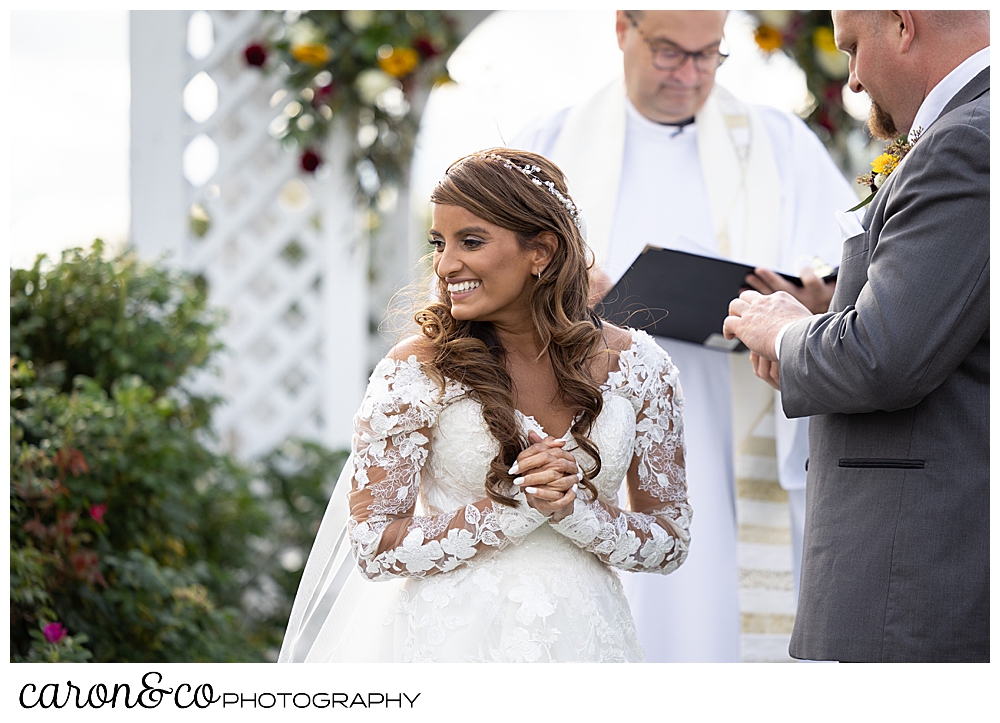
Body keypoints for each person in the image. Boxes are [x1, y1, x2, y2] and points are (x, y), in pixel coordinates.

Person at [514, 10, 857, 661]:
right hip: (592, 422)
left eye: (709, 56)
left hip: (730, 426)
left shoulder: (777, 142)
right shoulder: (550, 143)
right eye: (671, 53)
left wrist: (816, 297)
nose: (690, 75)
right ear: (622, 28)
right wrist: (555, 291)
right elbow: (479, 276)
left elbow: (844, 272)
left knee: (715, 617)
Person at [279, 148, 692, 663]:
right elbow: (374, 546)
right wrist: (516, 505)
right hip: (452, 649)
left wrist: (576, 511)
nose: (446, 265)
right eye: (438, 243)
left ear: (540, 251)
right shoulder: (417, 370)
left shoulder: (641, 367)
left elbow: (671, 540)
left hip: (588, 645)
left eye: (470, 241)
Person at [723, 10, 989, 662]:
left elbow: (884, 355)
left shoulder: (967, 143)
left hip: (912, 577)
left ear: (901, 24)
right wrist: (836, 300)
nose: (855, 81)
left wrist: (785, 332)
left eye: (850, 50)